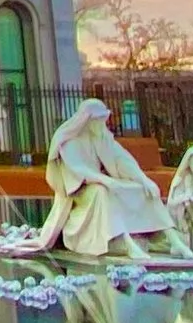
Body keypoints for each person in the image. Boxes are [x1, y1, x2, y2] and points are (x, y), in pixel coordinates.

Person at [33, 96, 171, 262]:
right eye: (98, 120)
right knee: (101, 192)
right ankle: (127, 243)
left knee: (139, 188)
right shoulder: (69, 142)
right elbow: (79, 170)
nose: (102, 123)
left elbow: (122, 160)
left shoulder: (103, 137)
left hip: (103, 183)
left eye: (103, 119)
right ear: (87, 120)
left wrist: (143, 179)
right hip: (81, 191)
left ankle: (166, 235)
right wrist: (105, 180)